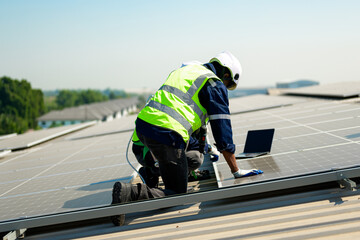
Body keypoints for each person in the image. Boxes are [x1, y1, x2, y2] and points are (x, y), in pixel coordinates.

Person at [111, 51, 263, 226]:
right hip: (166, 133)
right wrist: (236, 170)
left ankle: (149, 178)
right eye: (228, 84)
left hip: (145, 126)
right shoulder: (214, 83)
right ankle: (128, 193)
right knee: (176, 193)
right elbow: (222, 129)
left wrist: (207, 148)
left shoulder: (186, 71)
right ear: (226, 74)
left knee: (186, 162)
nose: (225, 88)